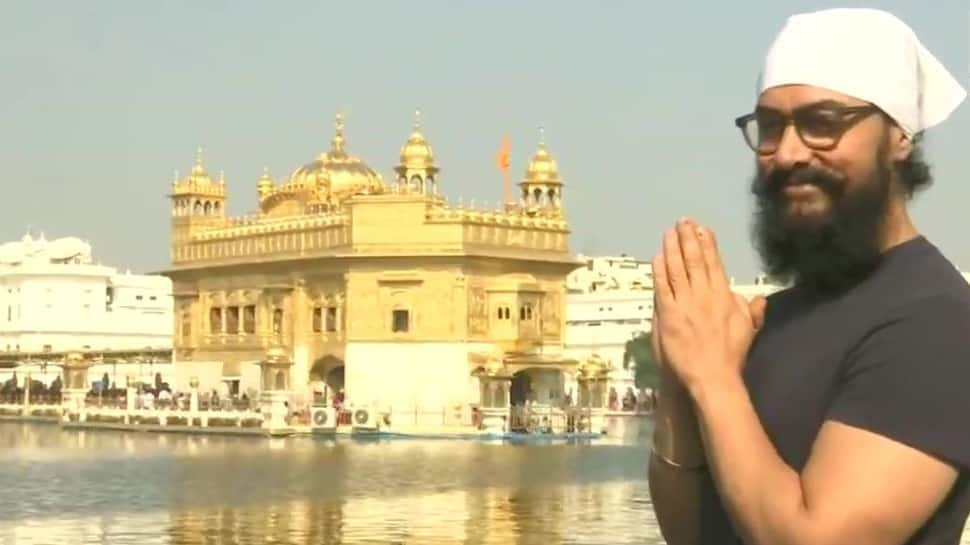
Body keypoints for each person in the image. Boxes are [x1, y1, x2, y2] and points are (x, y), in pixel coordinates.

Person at [648, 8, 969, 545]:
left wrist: (714, 379)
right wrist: (682, 378)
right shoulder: (771, 320)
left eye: (823, 123)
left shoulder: (937, 322)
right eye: (771, 127)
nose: (790, 152)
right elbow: (691, 535)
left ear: (899, 138)